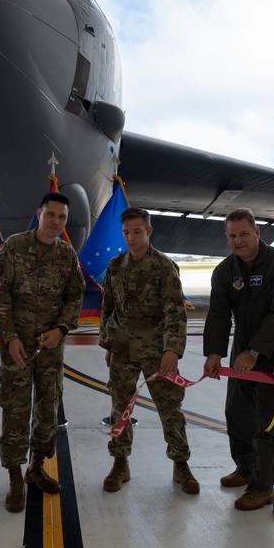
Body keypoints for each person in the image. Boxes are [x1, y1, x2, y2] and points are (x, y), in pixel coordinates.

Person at [0, 192, 85, 513]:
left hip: (50, 351)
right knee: (15, 412)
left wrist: (61, 329)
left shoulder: (67, 255)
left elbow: (75, 296)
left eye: (62, 217)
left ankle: (36, 467)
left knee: (48, 411)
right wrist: (11, 336)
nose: (56, 222)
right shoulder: (14, 248)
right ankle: (16, 478)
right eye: (51, 215)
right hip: (17, 349)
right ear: (39, 213)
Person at [203, 207, 274, 511]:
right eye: (231, 235)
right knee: (238, 413)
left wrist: (255, 351)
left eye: (244, 234)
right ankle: (245, 468)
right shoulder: (224, 271)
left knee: (268, 422)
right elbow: (219, 315)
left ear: (257, 232)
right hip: (241, 353)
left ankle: (263, 486)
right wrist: (214, 353)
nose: (238, 241)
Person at [100, 207, 199, 494]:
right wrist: (108, 343)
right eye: (126, 233)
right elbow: (108, 310)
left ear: (149, 231)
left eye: (137, 232)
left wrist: (173, 351)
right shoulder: (116, 266)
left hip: (158, 352)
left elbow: (175, 313)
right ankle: (120, 463)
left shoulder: (164, 268)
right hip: (122, 351)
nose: (131, 238)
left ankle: (181, 464)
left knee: (169, 408)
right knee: (120, 408)